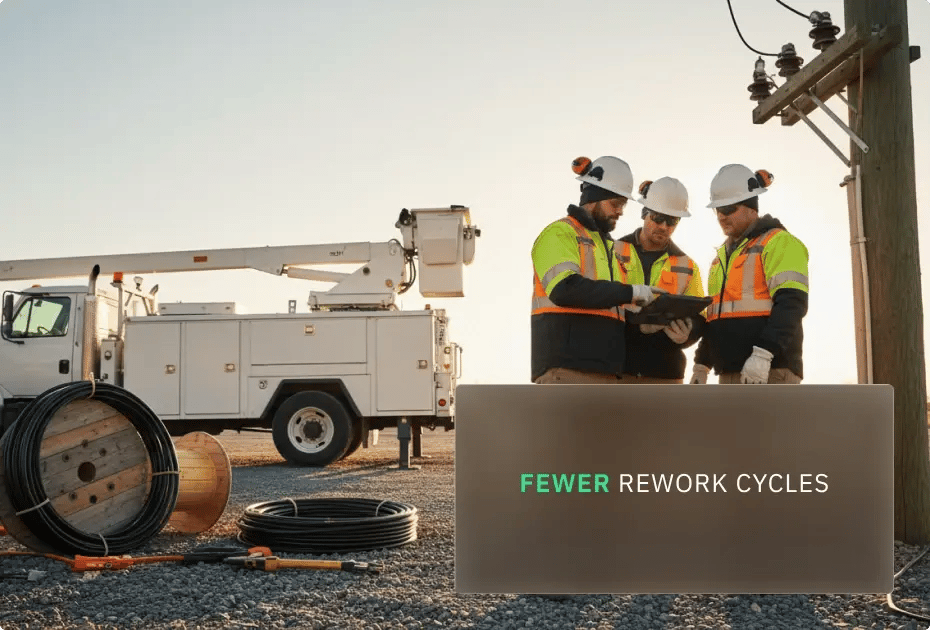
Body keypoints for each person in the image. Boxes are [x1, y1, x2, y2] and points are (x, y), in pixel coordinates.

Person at [531, 155, 661, 384]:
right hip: (566, 370)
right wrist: (631, 292)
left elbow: (610, 307)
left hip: (608, 373)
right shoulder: (560, 233)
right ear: (594, 197)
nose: (620, 211)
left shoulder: (610, 248)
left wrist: (644, 324)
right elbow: (565, 289)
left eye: (623, 204)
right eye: (615, 203)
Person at [690, 164, 809, 385]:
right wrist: (702, 364)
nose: (722, 217)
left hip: (771, 370)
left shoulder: (779, 243)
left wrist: (764, 354)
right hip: (730, 372)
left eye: (728, 209)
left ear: (751, 208)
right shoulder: (721, 259)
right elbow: (716, 317)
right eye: (718, 210)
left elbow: (792, 304)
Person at [616, 177, 705, 384]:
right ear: (644, 213)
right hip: (618, 370)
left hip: (666, 374)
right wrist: (637, 326)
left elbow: (700, 317)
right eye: (658, 218)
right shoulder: (612, 251)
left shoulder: (688, 265)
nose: (664, 226)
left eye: (672, 221)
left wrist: (688, 335)